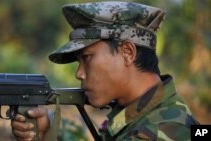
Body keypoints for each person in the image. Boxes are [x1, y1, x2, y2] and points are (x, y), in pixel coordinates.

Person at [11, 1, 199, 141]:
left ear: (127, 52)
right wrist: (47, 132)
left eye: (87, 58)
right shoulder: (143, 116)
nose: (79, 74)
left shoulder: (160, 131)